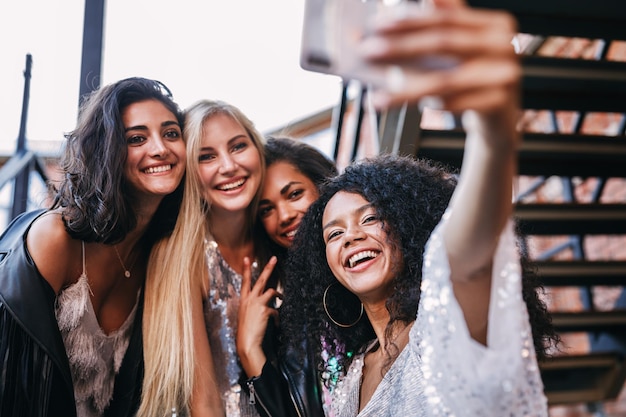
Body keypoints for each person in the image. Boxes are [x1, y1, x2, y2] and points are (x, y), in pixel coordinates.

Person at [277, 1, 558, 416]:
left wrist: (492, 133)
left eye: (370, 218)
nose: (351, 235)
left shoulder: (447, 325)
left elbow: (468, 254)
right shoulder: (349, 379)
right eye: (333, 233)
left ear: (410, 230)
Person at [0, 77, 186, 416]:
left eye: (171, 133)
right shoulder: (55, 238)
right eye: (136, 138)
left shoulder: (158, 255)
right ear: (107, 150)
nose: (160, 148)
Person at [142, 99, 269, 417]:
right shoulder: (179, 258)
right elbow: (204, 404)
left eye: (238, 146)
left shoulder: (277, 237)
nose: (228, 166)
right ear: (189, 172)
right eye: (207, 156)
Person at [236, 137, 337, 417]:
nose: (284, 215)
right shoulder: (292, 321)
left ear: (324, 187)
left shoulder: (370, 270)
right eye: (266, 209)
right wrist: (249, 350)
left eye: (294, 194)